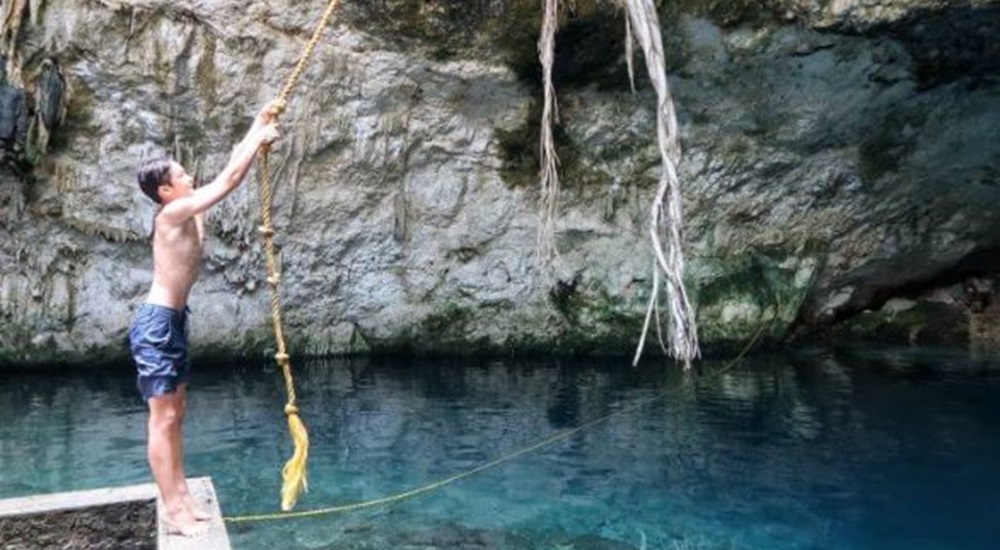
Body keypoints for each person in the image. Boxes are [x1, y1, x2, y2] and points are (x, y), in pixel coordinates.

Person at [130, 101, 281, 536]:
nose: (189, 178)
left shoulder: (189, 206)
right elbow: (230, 179)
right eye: (181, 176)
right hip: (156, 324)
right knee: (163, 417)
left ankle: (181, 498)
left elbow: (230, 165)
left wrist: (258, 124)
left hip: (173, 322)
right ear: (165, 191)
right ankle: (174, 510)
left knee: (177, 411)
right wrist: (257, 141)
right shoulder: (173, 213)